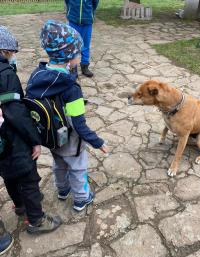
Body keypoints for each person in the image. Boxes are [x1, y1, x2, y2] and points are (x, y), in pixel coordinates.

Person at [26, 20, 108, 212]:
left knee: (59, 164)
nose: (81, 55)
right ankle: (81, 199)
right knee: (78, 168)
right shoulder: (72, 89)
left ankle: (62, 190)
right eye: (79, 52)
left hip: (51, 137)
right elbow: (79, 124)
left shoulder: (37, 75)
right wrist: (97, 142)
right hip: (71, 141)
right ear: (70, 57)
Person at [0, 25, 62, 234]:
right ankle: (36, 220)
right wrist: (34, 139)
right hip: (11, 137)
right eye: (12, 52)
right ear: (4, 51)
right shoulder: (5, 75)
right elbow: (15, 112)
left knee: (9, 173)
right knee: (28, 177)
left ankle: (19, 205)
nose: (14, 56)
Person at [65, 0, 99, 77]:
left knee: (86, 45)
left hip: (87, 22)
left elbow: (95, 3)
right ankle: (73, 68)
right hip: (73, 21)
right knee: (73, 46)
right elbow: (67, 2)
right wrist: (70, 12)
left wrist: (90, 13)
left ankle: (85, 66)